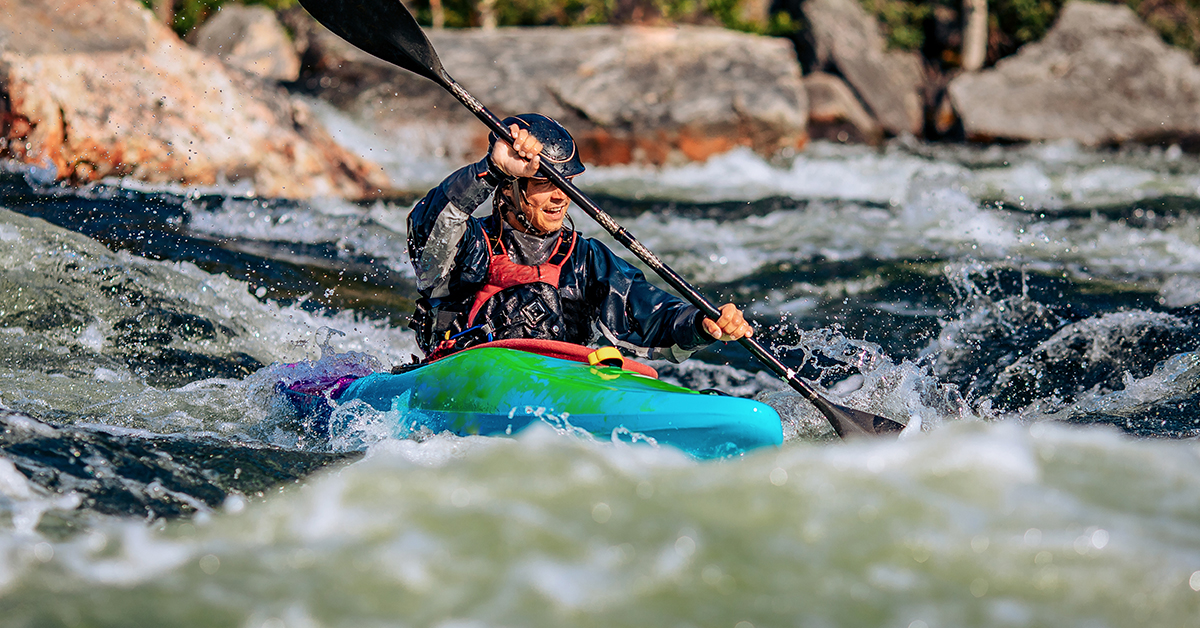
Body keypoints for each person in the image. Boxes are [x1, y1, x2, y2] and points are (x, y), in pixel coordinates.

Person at [407, 113, 753, 362]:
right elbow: (426, 229)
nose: (560, 197)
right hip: (466, 378)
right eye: (545, 184)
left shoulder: (586, 260)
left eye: (566, 184)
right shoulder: (469, 244)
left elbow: (648, 315)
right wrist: (491, 168)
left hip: (560, 385)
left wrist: (699, 323)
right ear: (509, 191)